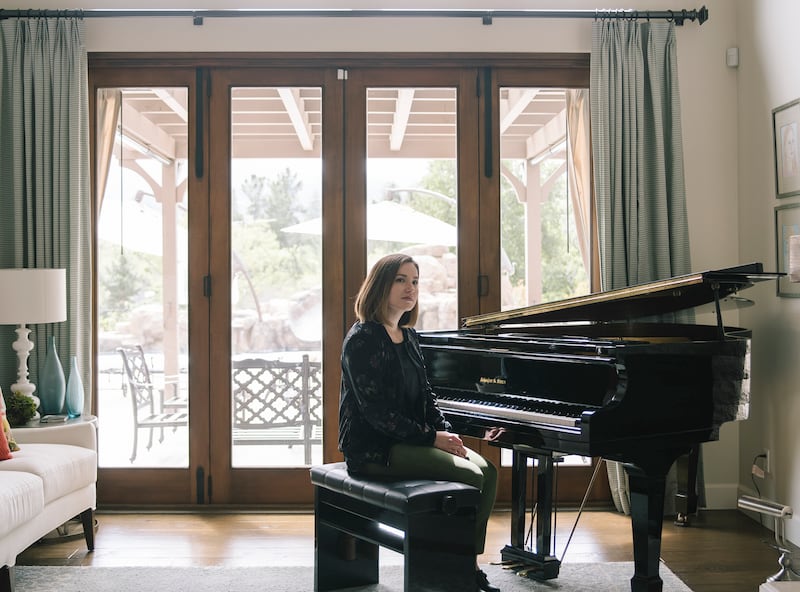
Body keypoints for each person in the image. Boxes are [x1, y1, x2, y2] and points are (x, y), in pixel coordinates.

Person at [338, 253, 500, 592]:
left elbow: (426, 397)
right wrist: (432, 439)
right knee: (469, 474)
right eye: (400, 279)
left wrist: (446, 433)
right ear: (380, 285)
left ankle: (464, 561)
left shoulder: (409, 337)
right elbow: (376, 414)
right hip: (373, 449)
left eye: (414, 281)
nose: (410, 288)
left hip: (412, 440)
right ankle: (461, 569)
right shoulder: (363, 339)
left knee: (488, 471)